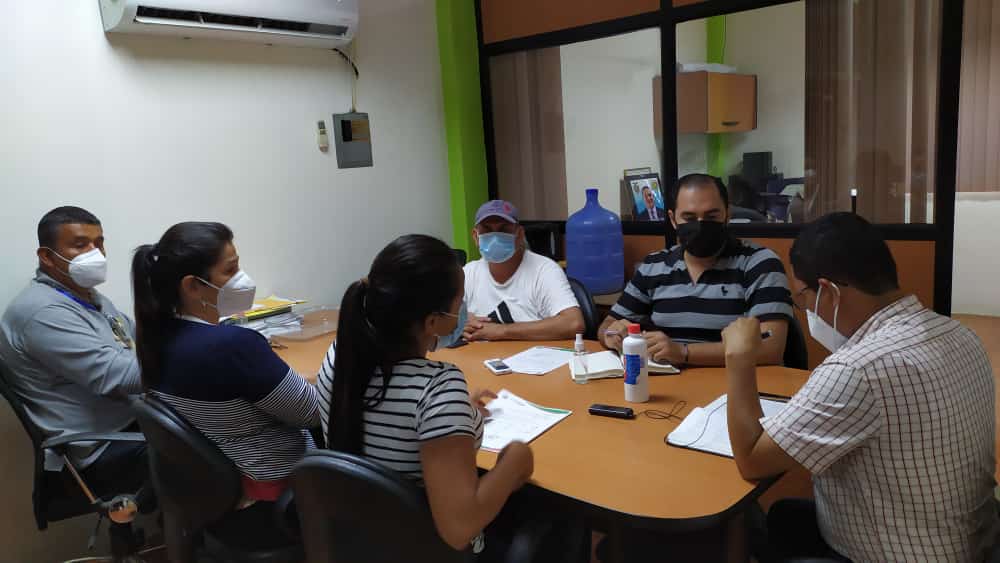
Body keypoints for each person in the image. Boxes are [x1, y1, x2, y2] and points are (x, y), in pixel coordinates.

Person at [721, 212, 998, 562]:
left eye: (802, 298)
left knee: (745, 520)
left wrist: (739, 359)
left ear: (829, 292)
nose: (806, 310)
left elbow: (751, 460)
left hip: (904, 554)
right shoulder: (959, 333)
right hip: (972, 539)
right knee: (783, 517)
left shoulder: (857, 369)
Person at [317, 234, 534, 551]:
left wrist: (457, 411)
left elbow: (401, 413)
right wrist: (515, 458)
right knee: (551, 518)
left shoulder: (341, 355)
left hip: (362, 540)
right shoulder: (438, 386)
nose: (464, 311)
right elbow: (459, 530)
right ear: (433, 321)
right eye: (460, 302)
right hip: (423, 548)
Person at [132, 221, 319, 507]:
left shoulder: (155, 335)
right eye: (230, 270)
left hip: (223, 481)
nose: (242, 278)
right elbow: (312, 413)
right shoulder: (232, 345)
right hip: (276, 483)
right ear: (193, 286)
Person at [0, 206, 147, 500]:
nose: (96, 253)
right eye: (80, 245)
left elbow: (140, 344)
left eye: (99, 243)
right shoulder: (42, 313)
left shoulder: (87, 297)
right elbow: (117, 377)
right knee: (223, 442)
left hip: (133, 422)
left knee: (222, 418)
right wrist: (196, 359)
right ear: (47, 256)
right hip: (104, 446)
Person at [599, 174, 792, 367]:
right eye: (689, 218)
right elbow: (607, 325)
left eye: (711, 217)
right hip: (668, 380)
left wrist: (685, 352)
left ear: (727, 215)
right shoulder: (654, 266)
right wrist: (612, 335)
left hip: (737, 380)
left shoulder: (759, 263)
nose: (700, 225)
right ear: (673, 220)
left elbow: (770, 348)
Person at [462, 200, 584, 342]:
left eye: (504, 229)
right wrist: (459, 321)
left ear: (519, 234)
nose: (495, 237)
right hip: (479, 354)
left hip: (532, 354)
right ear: (475, 237)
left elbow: (574, 323)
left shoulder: (544, 270)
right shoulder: (468, 273)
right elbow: (442, 316)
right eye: (487, 230)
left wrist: (501, 331)